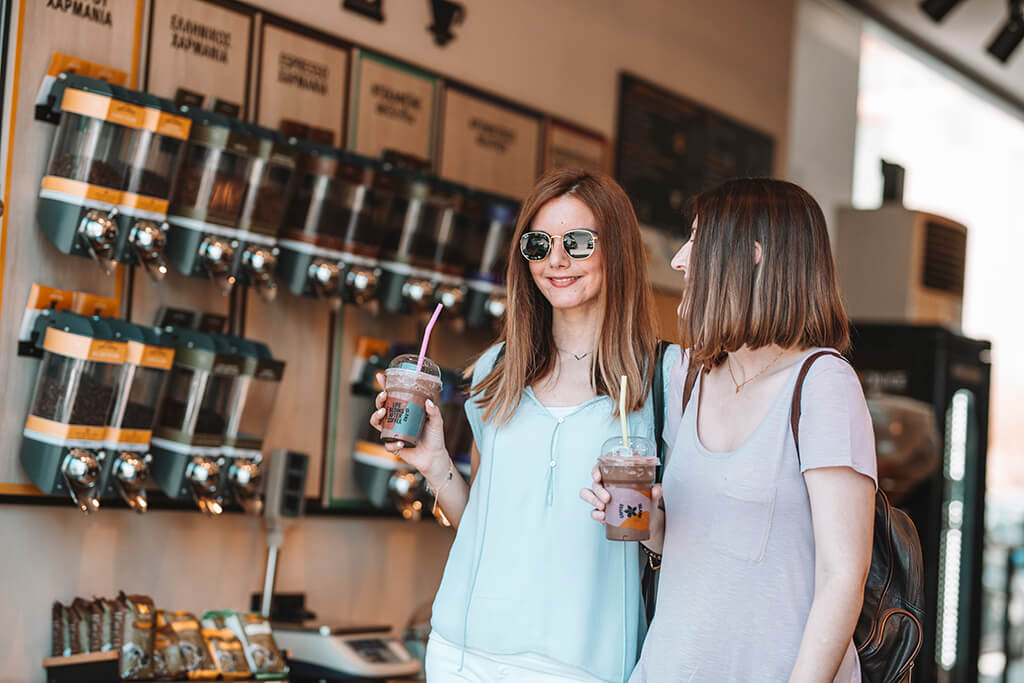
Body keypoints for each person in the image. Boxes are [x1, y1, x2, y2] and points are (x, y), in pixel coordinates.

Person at [369, 167, 675, 682]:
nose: (556, 260)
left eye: (577, 242)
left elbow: (685, 538)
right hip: (464, 655)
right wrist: (437, 465)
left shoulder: (662, 378)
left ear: (617, 251)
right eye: (539, 243)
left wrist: (656, 530)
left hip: (585, 665)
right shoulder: (499, 368)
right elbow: (485, 529)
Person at [582, 178, 877, 682]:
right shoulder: (689, 375)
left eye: (697, 240)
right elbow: (683, 544)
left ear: (752, 256)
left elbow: (842, 579)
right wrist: (642, 517)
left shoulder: (823, 383)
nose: (678, 259)